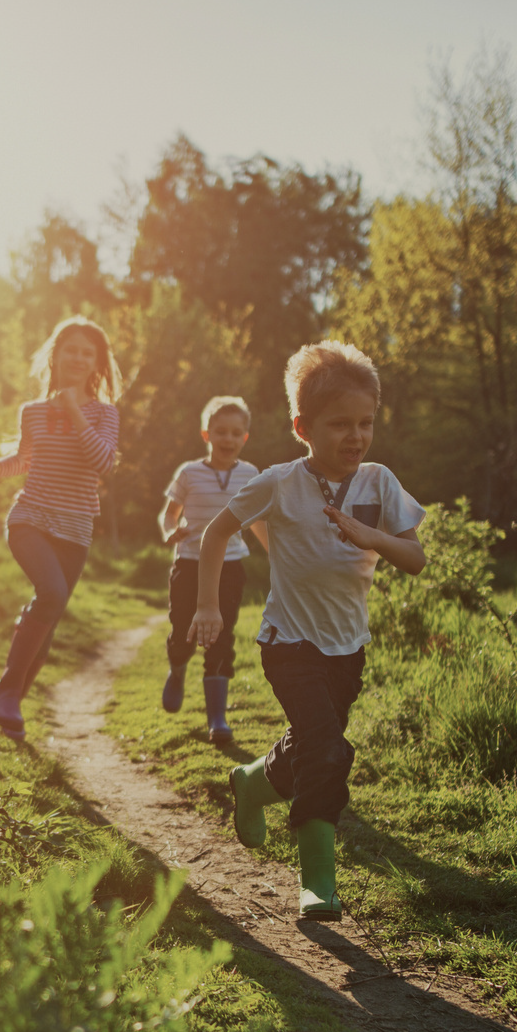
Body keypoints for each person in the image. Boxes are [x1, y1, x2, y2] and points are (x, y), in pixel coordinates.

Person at [185, 341, 425, 920]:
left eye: (365, 422)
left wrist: (375, 540)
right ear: (302, 426)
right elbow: (216, 534)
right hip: (289, 643)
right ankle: (317, 882)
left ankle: (253, 782)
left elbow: (415, 558)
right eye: (339, 423)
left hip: (349, 648)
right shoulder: (279, 482)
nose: (355, 435)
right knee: (328, 751)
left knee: (313, 748)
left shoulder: (379, 483)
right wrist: (209, 607)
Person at [0, 316, 123, 741]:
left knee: (48, 622)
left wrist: (75, 412)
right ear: (55, 355)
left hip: (75, 528)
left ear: (96, 364)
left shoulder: (105, 414)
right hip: (30, 517)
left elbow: (103, 463)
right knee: (52, 594)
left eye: (87, 352)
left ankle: (11, 705)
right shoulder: (32, 412)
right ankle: (7, 692)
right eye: (70, 349)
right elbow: (25, 461)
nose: (77, 357)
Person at [157, 395, 262, 744]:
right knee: (183, 631)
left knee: (221, 636)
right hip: (189, 563)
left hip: (231, 566)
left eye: (236, 433)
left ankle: (217, 718)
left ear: (245, 437)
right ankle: (177, 668)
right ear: (206, 434)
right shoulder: (189, 472)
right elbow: (169, 513)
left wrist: (282, 555)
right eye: (221, 432)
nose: (228, 439)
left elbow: (260, 520)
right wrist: (170, 531)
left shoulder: (251, 475)